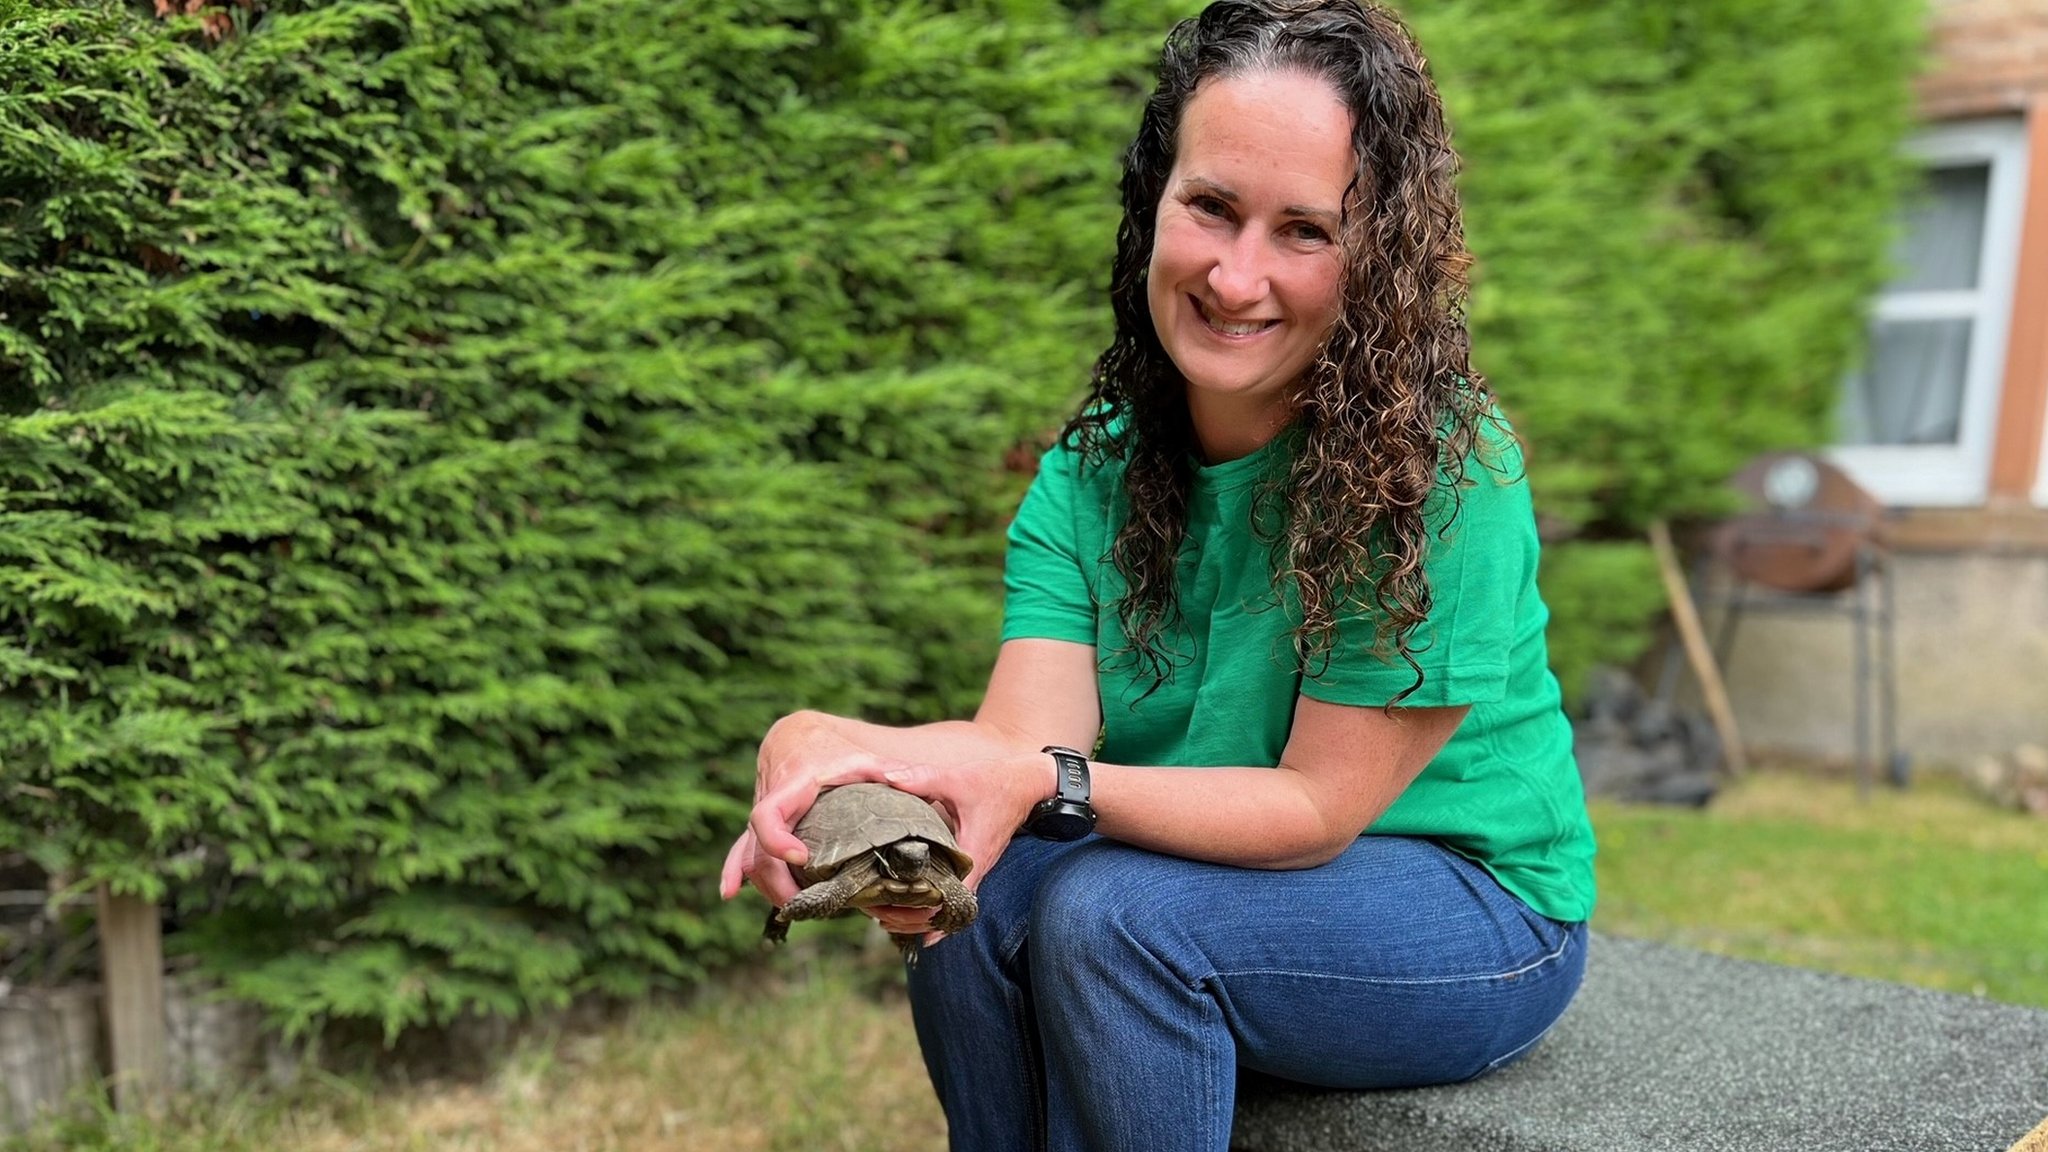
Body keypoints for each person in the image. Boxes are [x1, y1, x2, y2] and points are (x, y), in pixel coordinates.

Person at [720, 1, 1596, 1148]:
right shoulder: (1091, 473)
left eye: (1305, 231)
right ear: (1154, 204)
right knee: (973, 905)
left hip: (1468, 907)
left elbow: (1315, 808)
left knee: (1109, 917)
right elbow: (1017, 762)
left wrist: (1047, 786)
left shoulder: (1434, 473)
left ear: (1376, 254)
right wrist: (826, 751)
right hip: (1192, 875)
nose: (1236, 277)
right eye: (1212, 207)